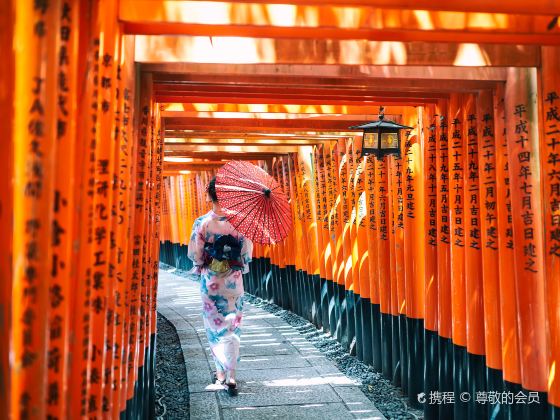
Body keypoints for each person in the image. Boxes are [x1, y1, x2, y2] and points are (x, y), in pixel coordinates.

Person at [187, 176, 253, 396]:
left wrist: (205, 261)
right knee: (233, 328)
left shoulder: (202, 223)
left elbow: (196, 256)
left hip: (211, 283)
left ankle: (220, 375)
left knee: (215, 329)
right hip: (233, 282)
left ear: (210, 195)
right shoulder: (240, 222)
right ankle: (232, 375)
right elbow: (245, 253)